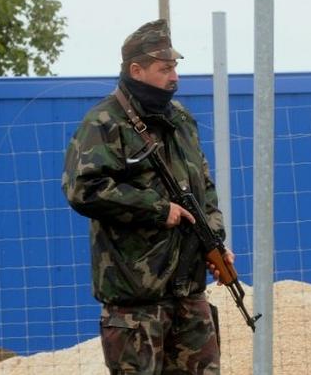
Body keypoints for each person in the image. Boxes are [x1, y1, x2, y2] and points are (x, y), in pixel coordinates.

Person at [62, 19, 231, 375]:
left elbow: (205, 188)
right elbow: (83, 189)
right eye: (164, 68)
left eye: (175, 68)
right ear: (136, 70)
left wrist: (214, 240)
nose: (174, 77)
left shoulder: (181, 120)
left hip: (188, 294)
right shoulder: (104, 123)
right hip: (136, 301)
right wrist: (155, 209)